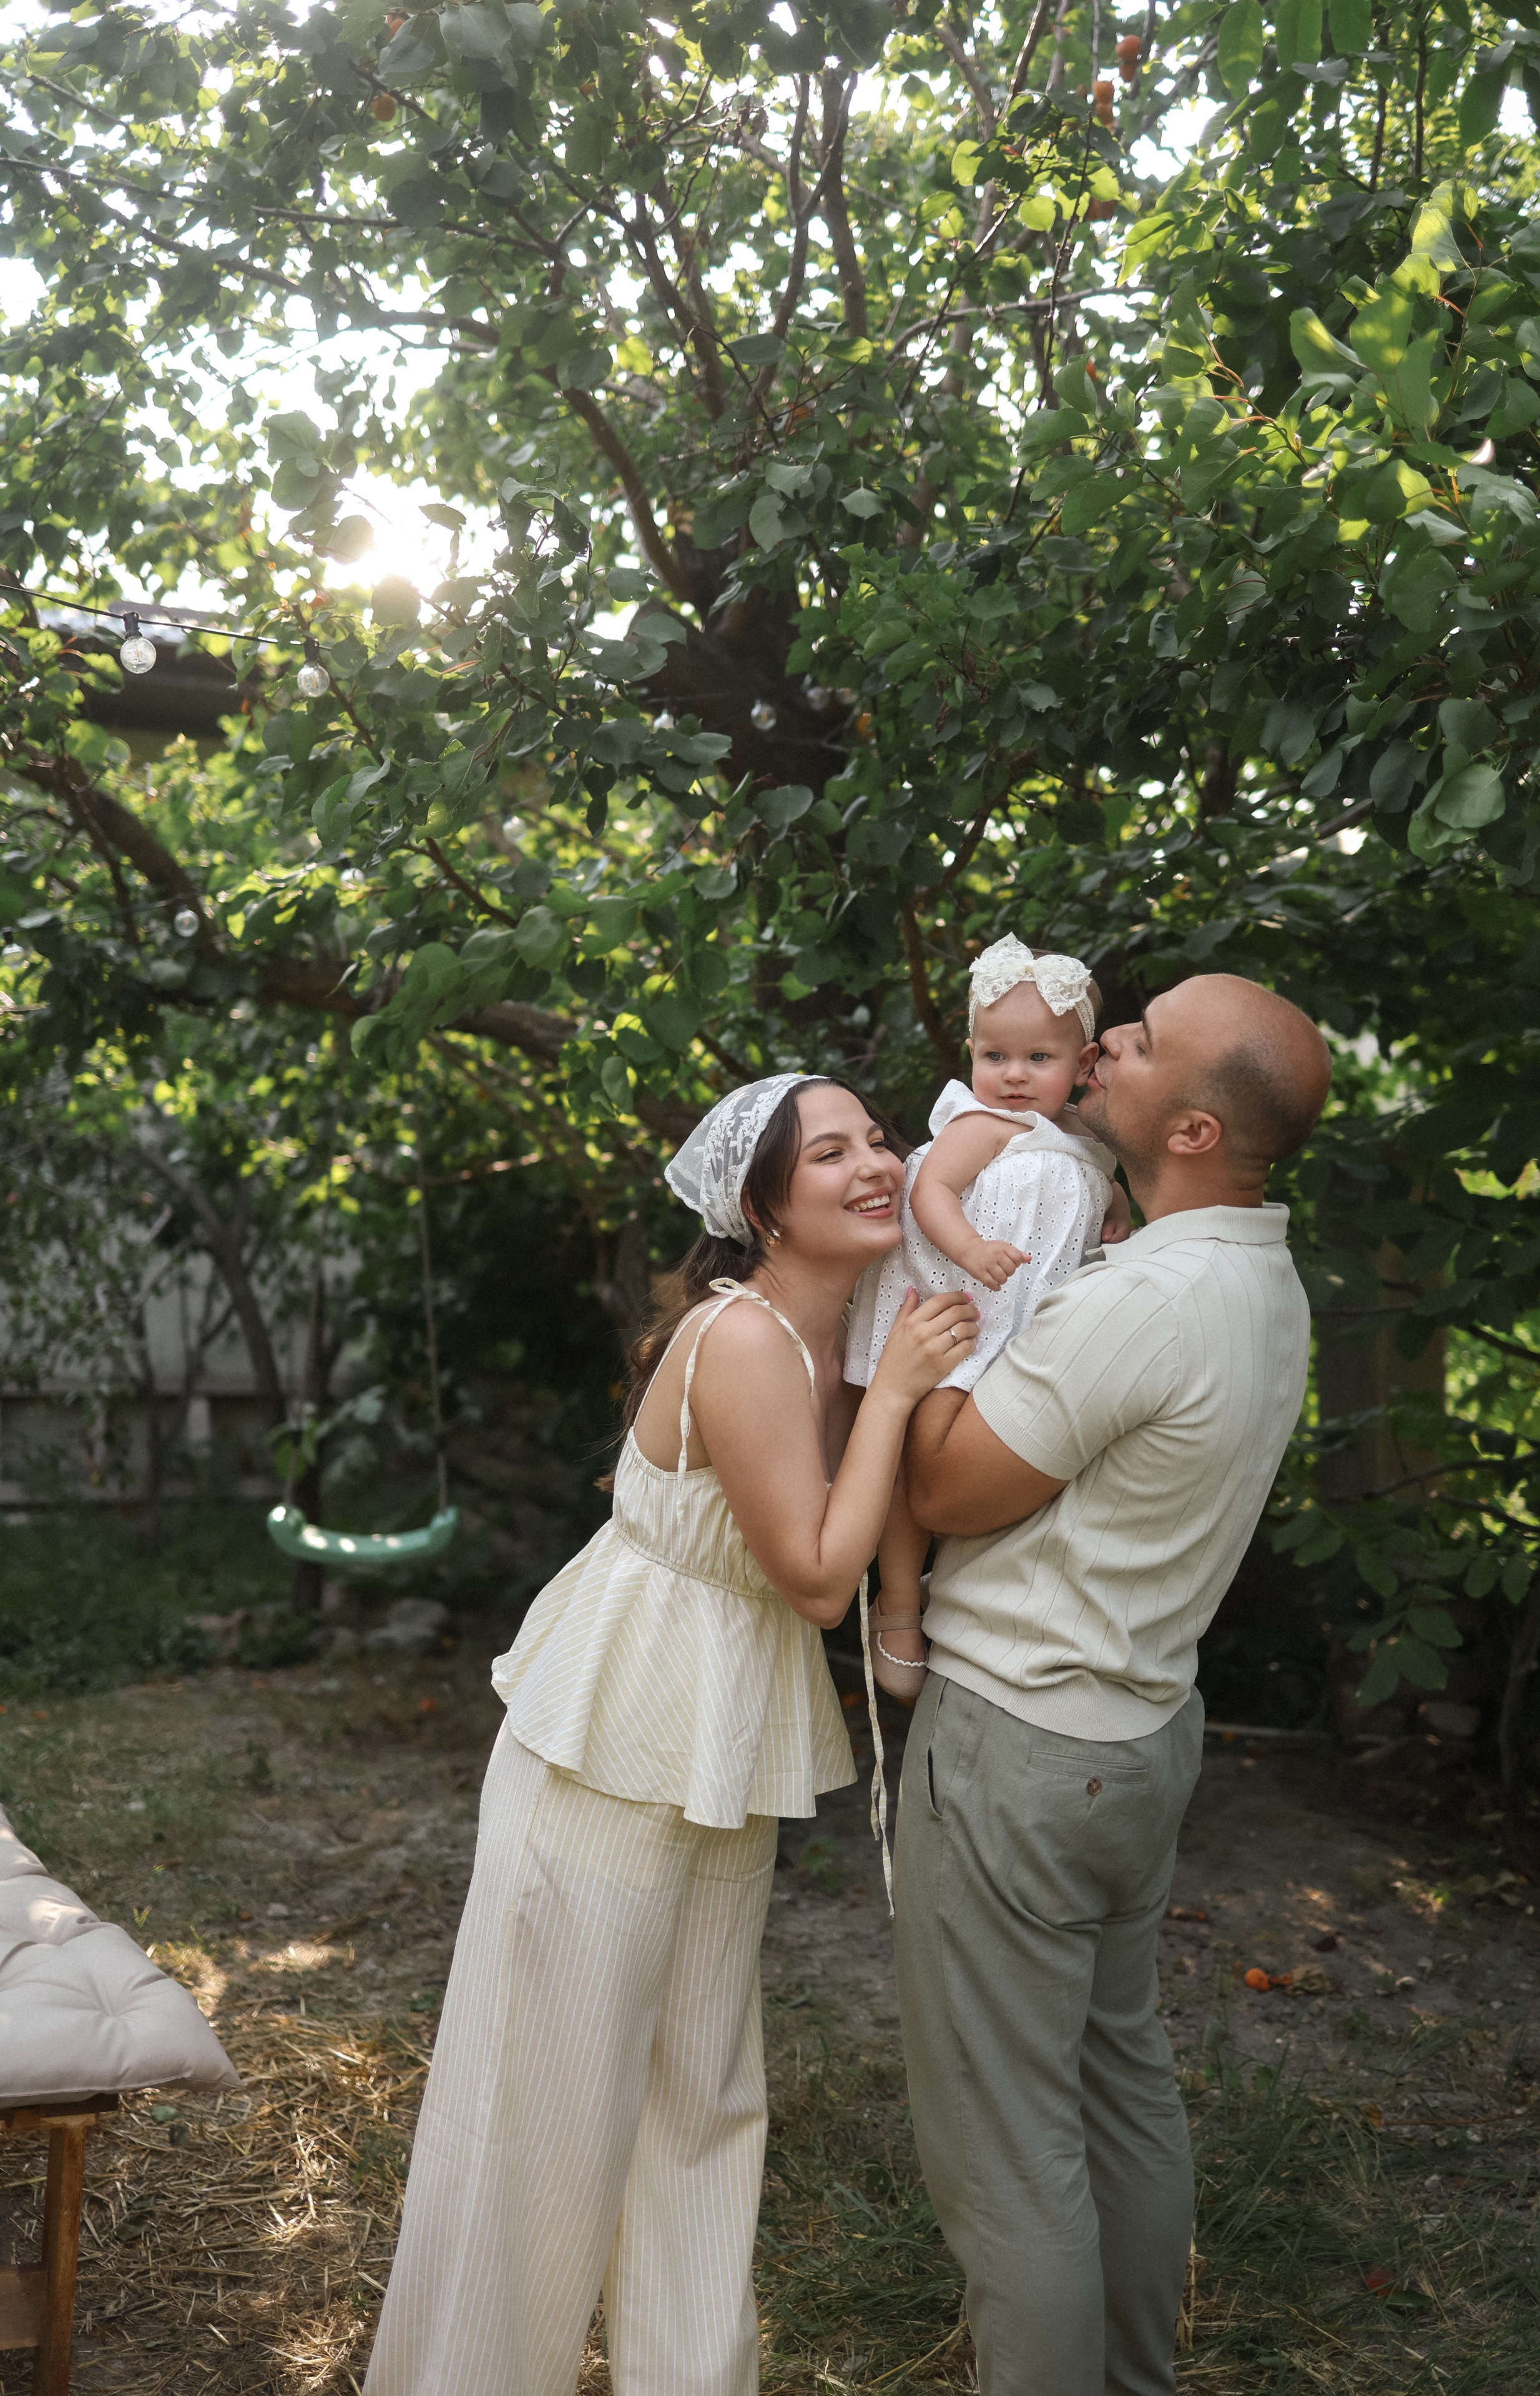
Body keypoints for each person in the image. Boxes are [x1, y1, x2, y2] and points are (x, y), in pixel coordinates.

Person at [363, 1073, 978, 2396]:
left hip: (723, 1731)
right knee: (543, 2108)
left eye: (878, 1138)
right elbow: (818, 1577)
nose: (875, 1162)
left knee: (703, 2102)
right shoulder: (745, 1337)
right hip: (612, 1733)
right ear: (760, 1206)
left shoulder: (851, 1326)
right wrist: (893, 1399)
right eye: (831, 1152)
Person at [895, 972, 1332, 2396]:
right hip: (1137, 1731)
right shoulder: (1260, 1279)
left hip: (1023, 1743)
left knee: (1008, 2149)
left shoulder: (1141, 1297)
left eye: (1136, 1044)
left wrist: (924, 1350)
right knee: (1116, 2089)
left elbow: (951, 1489)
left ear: (1193, 1129)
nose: (1103, 1047)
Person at [843, 933, 1129, 1700]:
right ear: (971, 1053)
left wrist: (1120, 1208)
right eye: (994, 1055)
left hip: (1026, 1327)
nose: (1011, 1075)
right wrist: (969, 1247)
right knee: (915, 1456)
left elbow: (1093, 1187)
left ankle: (966, 1586)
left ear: (1081, 1065)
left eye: (1038, 1059)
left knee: (990, 1458)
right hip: (957, 1312)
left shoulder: (1084, 1138)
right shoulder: (979, 1123)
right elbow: (932, 1189)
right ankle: (898, 1600)